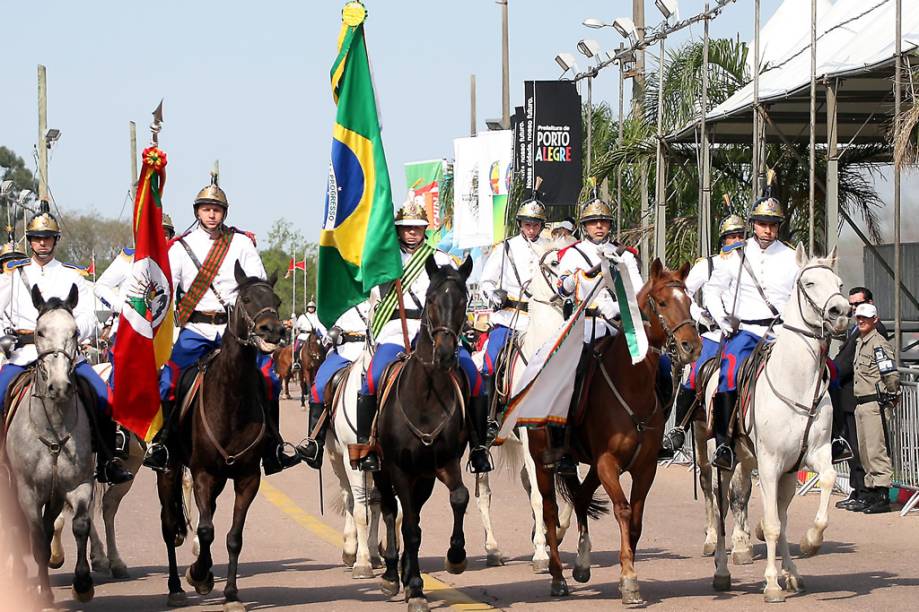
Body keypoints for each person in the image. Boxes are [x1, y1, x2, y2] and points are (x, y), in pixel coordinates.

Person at [142, 174, 299, 474]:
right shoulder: (180, 247)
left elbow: (257, 284)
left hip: (235, 332)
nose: (212, 214)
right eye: (206, 208)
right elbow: (165, 288)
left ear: (224, 213)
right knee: (169, 381)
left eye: (217, 209)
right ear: (197, 212)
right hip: (196, 331)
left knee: (269, 380)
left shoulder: (240, 243)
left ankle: (273, 447)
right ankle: (162, 444)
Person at [0, 204, 134, 484]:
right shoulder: (13, 274)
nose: (42, 243)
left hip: (67, 355)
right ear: (30, 240)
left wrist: (73, 333)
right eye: (37, 238)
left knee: (104, 398)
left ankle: (108, 461)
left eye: (48, 238)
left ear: (56, 240)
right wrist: (5, 334)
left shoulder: (72, 275)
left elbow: (91, 314)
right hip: (24, 352)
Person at [355, 200, 490, 474]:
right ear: (398, 230)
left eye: (417, 227)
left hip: (435, 329)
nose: (412, 232)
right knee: (372, 377)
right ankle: (367, 444)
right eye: (407, 228)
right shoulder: (385, 257)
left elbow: (457, 292)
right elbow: (368, 283)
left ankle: (478, 446)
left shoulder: (439, 258)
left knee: (474, 377)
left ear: (425, 229)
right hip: (395, 327)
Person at [703, 187, 799, 470]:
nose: (768, 230)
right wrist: (722, 321)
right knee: (728, 373)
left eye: (773, 225)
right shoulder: (736, 256)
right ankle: (724, 444)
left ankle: (836, 439)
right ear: (753, 225)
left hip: (784, 332)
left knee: (826, 369)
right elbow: (712, 290)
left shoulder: (792, 257)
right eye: (763, 224)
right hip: (746, 332)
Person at [552, 196, 645, 475]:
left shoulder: (625, 255)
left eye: (603, 222)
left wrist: (613, 306)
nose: (599, 227)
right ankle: (563, 445)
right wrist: (578, 276)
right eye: (593, 223)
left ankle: (659, 432)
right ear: (584, 226)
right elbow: (562, 289)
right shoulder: (572, 254)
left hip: (618, 328)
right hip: (583, 327)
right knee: (567, 377)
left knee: (657, 367)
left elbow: (638, 295)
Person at [659, 213, 745, 458]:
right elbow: (684, 294)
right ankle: (679, 428)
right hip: (715, 334)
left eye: (740, 236)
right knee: (696, 373)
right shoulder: (707, 265)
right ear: (723, 240)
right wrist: (699, 315)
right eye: (731, 236)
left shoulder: (752, 266)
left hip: (748, 331)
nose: (736, 240)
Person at [478, 193, 548, 438]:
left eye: (536, 224)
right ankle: (489, 419)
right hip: (509, 318)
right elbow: (485, 281)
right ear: (520, 224)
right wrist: (495, 296)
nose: (531, 228)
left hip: (539, 320)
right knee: (490, 362)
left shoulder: (549, 250)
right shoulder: (505, 248)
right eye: (528, 223)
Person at [296, 300, 369, 469]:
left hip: (373, 347)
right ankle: (315, 444)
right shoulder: (338, 297)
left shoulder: (378, 289)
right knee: (318, 389)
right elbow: (326, 332)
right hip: (345, 351)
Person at [831, 287, 885, 510]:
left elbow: (849, 365)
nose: (854, 310)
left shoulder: (874, 331)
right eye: (852, 305)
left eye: (858, 305)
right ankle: (858, 489)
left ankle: (871, 493)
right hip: (848, 398)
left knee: (867, 449)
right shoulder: (855, 330)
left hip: (861, 397)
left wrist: (830, 372)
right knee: (853, 448)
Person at [95, 214, 176, 358]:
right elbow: (100, 286)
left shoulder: (176, 263)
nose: (159, 238)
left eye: (164, 234)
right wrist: (122, 307)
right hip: (129, 333)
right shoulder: (128, 259)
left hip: (165, 337)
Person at [851, 302, 899, 514]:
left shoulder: (878, 343)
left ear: (875, 320)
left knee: (876, 450)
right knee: (865, 452)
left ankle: (882, 495)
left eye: (865, 318)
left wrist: (892, 394)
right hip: (861, 403)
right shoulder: (860, 342)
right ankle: (871, 492)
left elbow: (889, 372)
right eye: (859, 317)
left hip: (874, 403)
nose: (861, 321)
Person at [293, 301, 326, 365]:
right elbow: (296, 326)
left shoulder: (317, 317)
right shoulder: (302, 317)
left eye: (312, 307)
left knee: (322, 348)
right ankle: (296, 362)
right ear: (307, 308)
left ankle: (323, 361)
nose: (311, 309)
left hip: (314, 336)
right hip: (303, 336)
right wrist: (294, 319)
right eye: (310, 307)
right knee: (297, 347)